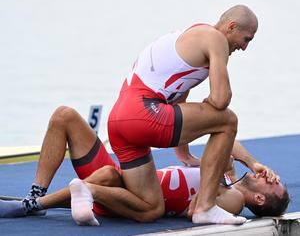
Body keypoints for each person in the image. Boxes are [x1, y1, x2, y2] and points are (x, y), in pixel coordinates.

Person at [0, 108, 289, 225]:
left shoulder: (235, 202)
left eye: (273, 182)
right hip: (127, 179)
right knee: (64, 116)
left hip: (129, 200)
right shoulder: (228, 182)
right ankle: (35, 195)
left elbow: (195, 209)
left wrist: (221, 165)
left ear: (260, 199)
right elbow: (225, 139)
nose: (270, 176)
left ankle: (32, 205)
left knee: (110, 175)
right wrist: (250, 162)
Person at [106, 4, 259, 224]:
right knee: (228, 121)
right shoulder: (215, 39)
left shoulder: (192, 37)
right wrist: (212, 103)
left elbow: (179, 100)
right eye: (246, 39)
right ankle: (205, 207)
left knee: (150, 207)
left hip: (118, 120)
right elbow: (221, 100)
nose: (244, 48)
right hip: (144, 112)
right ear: (231, 27)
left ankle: (84, 190)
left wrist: (184, 155)